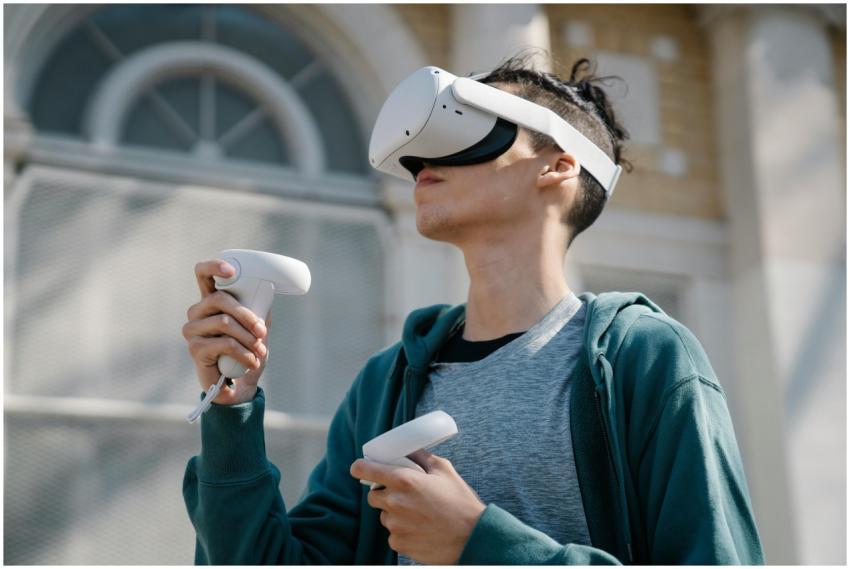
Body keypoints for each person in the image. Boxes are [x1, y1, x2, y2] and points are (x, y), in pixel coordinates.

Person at [182, 53, 765, 564]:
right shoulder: (384, 383)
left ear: (558, 164)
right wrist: (231, 410)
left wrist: (478, 543)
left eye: (466, 126)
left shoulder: (644, 357)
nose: (420, 159)